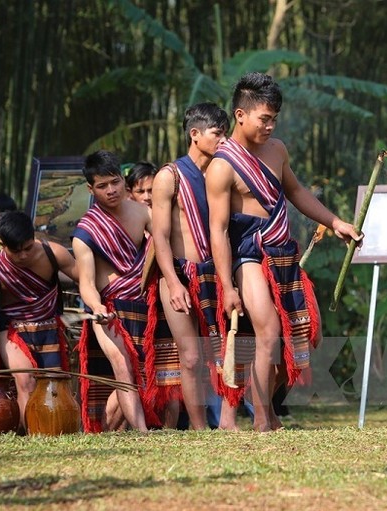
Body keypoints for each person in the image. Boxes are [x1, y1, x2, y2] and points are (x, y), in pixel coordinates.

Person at [207, 72, 362, 432]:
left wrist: (336, 221)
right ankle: (261, 418)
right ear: (240, 115)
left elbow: (297, 192)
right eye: (264, 118)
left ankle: (269, 412)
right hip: (247, 255)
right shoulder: (221, 166)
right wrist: (227, 287)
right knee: (268, 332)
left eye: (274, 118)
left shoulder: (277, 150)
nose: (270, 125)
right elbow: (217, 231)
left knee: (300, 334)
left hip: (282, 252)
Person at [150, 102, 234, 430]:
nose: (223, 140)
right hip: (179, 274)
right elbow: (159, 234)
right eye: (217, 134)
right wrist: (172, 281)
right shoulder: (168, 177)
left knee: (225, 351)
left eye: (225, 133)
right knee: (191, 357)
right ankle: (199, 428)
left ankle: (228, 420)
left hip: (214, 275)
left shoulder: (221, 173)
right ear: (195, 134)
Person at [0, 211, 77, 427]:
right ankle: (32, 434)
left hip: (50, 327)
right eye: (16, 251)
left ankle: (55, 431)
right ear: (2, 244)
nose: (23, 255)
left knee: (54, 387)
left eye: (28, 247)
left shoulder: (53, 253)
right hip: (13, 331)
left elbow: (87, 280)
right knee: (25, 381)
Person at [72, 150, 158, 433]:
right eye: (102, 186)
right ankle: (144, 433)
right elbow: (85, 282)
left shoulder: (144, 213)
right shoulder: (85, 231)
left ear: (123, 180)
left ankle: (106, 432)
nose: (111, 190)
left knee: (144, 372)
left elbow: (163, 250)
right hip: (108, 309)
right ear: (90, 188)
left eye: (115, 182)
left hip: (144, 302)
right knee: (123, 368)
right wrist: (96, 308)